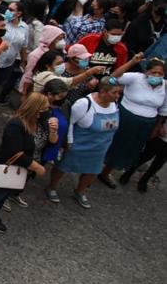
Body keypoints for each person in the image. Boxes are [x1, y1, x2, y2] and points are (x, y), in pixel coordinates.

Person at [0, 93, 50, 245]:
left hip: (19, 170)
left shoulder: (38, 123)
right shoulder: (16, 124)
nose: (47, 111)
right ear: (36, 109)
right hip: (5, 166)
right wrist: (36, 166)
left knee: (4, 194)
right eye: (45, 108)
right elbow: (13, 151)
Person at [43, 76, 120, 207]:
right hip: (79, 144)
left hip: (100, 147)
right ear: (102, 91)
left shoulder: (114, 104)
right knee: (63, 166)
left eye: (119, 93)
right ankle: (52, 187)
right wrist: (69, 141)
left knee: (92, 170)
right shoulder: (84, 104)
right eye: (114, 92)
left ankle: (80, 192)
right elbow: (70, 122)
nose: (118, 96)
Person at [95, 56, 167, 188]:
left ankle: (105, 173)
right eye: (153, 72)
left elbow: (163, 110)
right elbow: (113, 77)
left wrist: (157, 126)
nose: (156, 75)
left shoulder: (165, 86)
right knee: (109, 143)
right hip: (124, 119)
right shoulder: (135, 77)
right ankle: (91, 170)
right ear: (146, 72)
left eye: (160, 73)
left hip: (144, 125)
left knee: (124, 150)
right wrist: (132, 62)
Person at [0, 3, 29, 105]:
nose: (7, 11)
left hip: (8, 63)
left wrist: (23, 61)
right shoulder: (1, 21)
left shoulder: (24, 27)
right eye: (8, 8)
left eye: (11, 9)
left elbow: (24, 46)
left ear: (19, 13)